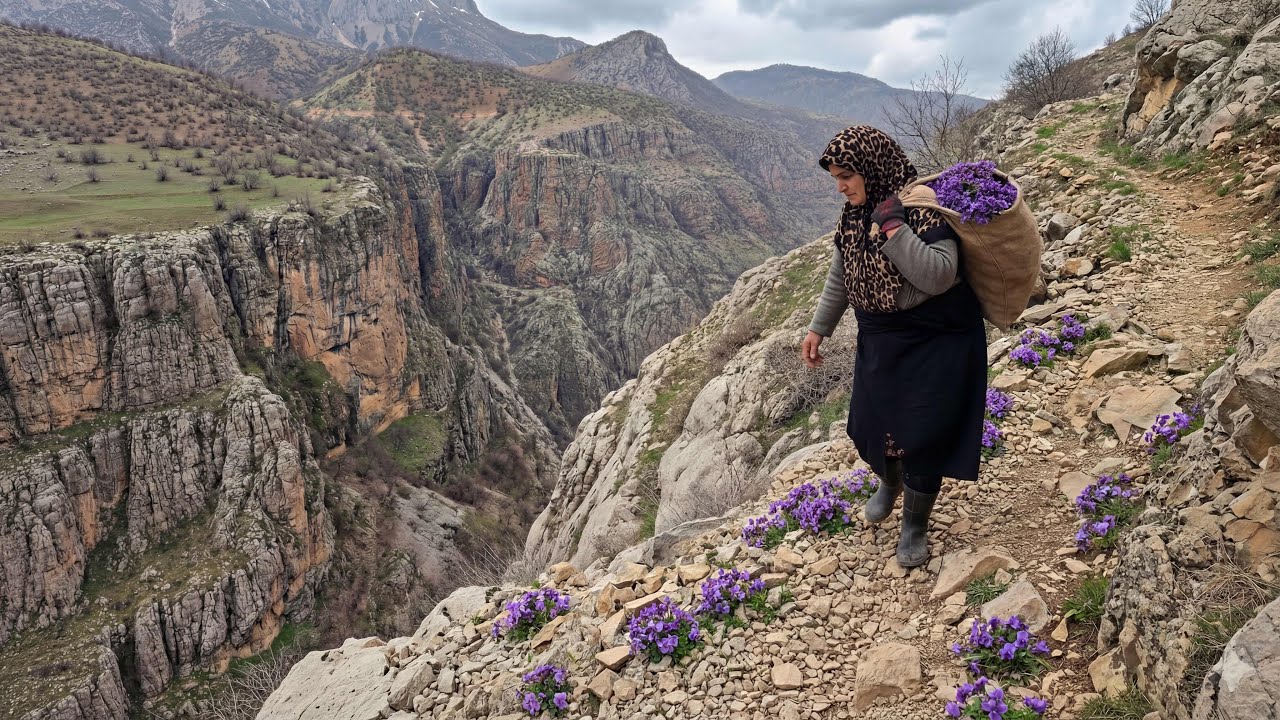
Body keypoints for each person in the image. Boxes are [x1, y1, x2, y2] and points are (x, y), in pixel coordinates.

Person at [801, 125, 986, 568]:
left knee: (922, 432)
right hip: (882, 338)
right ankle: (890, 480)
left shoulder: (920, 210)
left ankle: (915, 526)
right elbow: (841, 276)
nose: (841, 186)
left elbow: (940, 274)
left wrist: (891, 227)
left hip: (935, 339)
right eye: (835, 178)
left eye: (847, 175)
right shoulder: (850, 218)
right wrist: (818, 328)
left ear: (872, 168)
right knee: (872, 420)